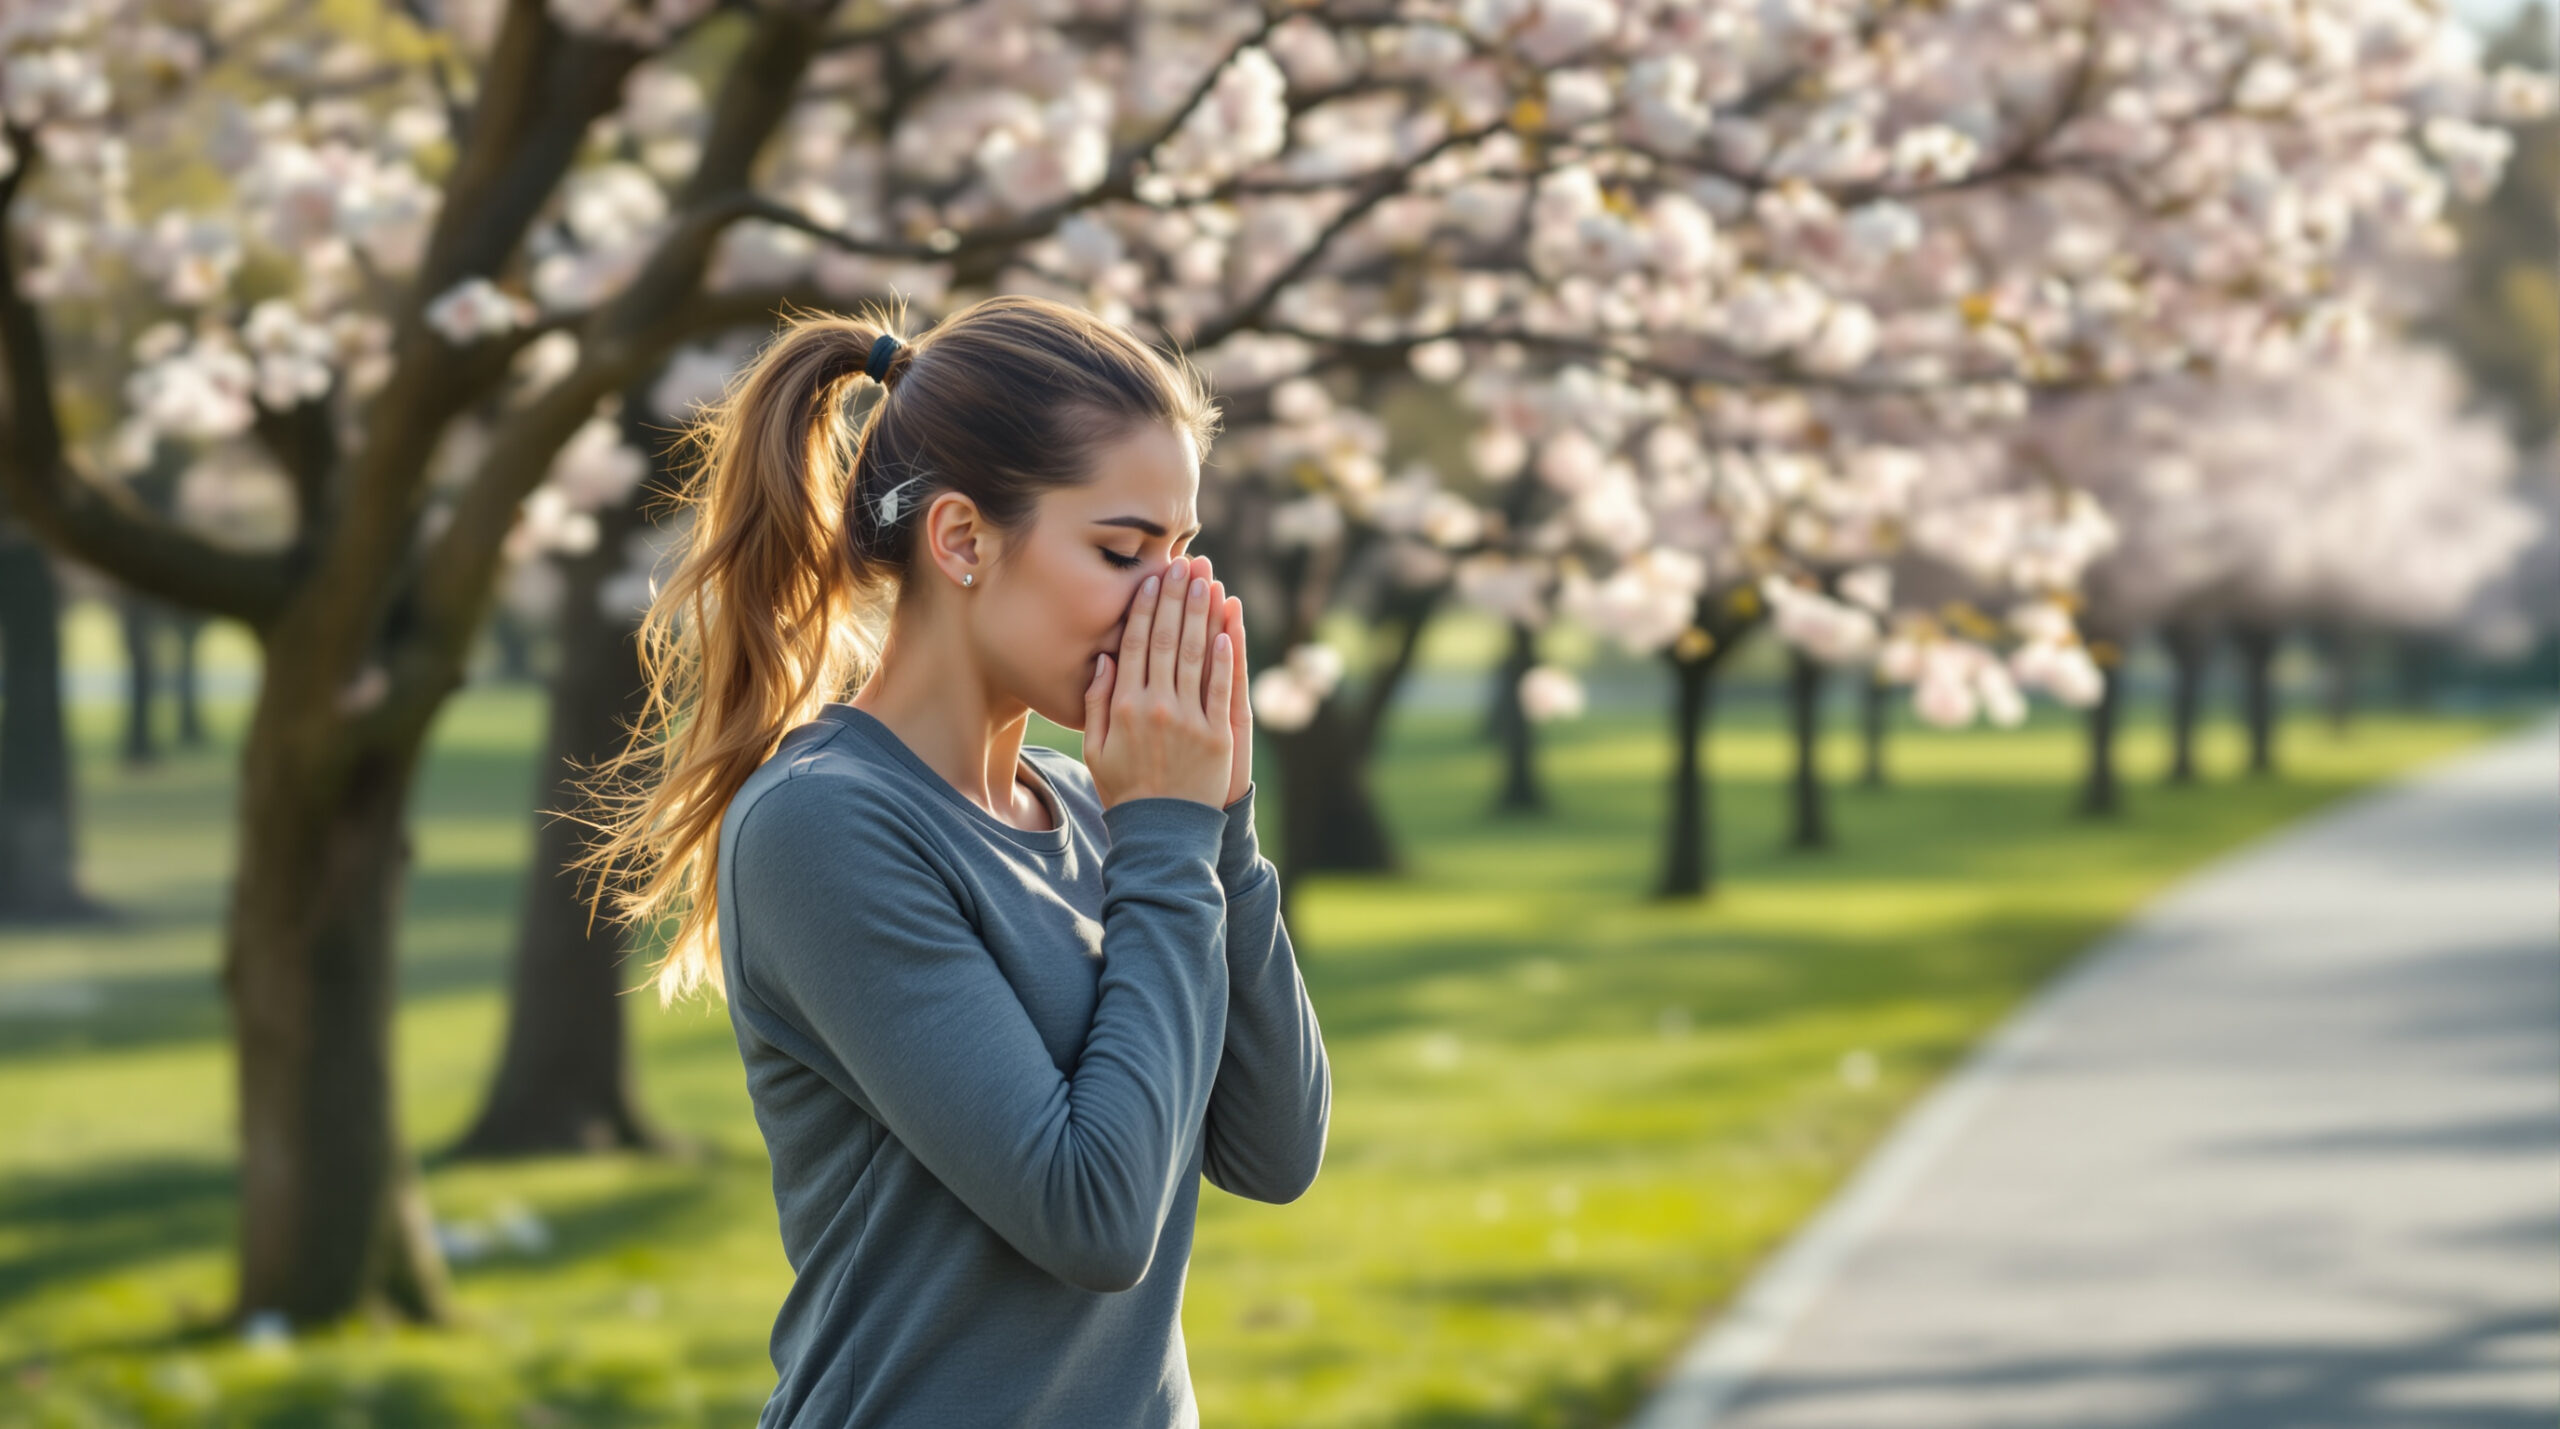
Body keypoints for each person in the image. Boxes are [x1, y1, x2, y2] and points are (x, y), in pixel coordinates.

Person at [573, 294, 1330, 1426]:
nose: (1170, 601)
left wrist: (1219, 820)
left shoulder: (1107, 811)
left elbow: (1274, 1149)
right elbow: (1094, 1218)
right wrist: (1171, 838)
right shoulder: (823, 825)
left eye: (1181, 554)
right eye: (1123, 552)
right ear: (964, 539)